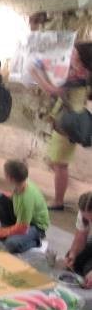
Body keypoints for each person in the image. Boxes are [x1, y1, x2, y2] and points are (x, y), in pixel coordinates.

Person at [31, 43, 92, 210]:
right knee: (55, 161)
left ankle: (58, 201)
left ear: (81, 56)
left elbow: (53, 90)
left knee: (59, 163)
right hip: (68, 120)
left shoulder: (78, 74)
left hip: (69, 122)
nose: (71, 53)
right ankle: (65, 186)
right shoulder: (83, 74)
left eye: (74, 52)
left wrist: (35, 73)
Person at [0, 160, 50, 253]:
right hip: (24, 220)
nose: (4, 176)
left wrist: (4, 232)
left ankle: (37, 241)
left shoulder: (26, 199)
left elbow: (23, 228)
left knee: (11, 244)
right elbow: (13, 197)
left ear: (11, 178)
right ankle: (10, 229)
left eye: (5, 174)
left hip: (36, 226)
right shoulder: (21, 183)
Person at [65, 192, 92, 288]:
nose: (90, 222)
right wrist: (73, 254)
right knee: (73, 261)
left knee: (87, 269)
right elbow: (80, 238)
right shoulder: (84, 212)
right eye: (87, 219)